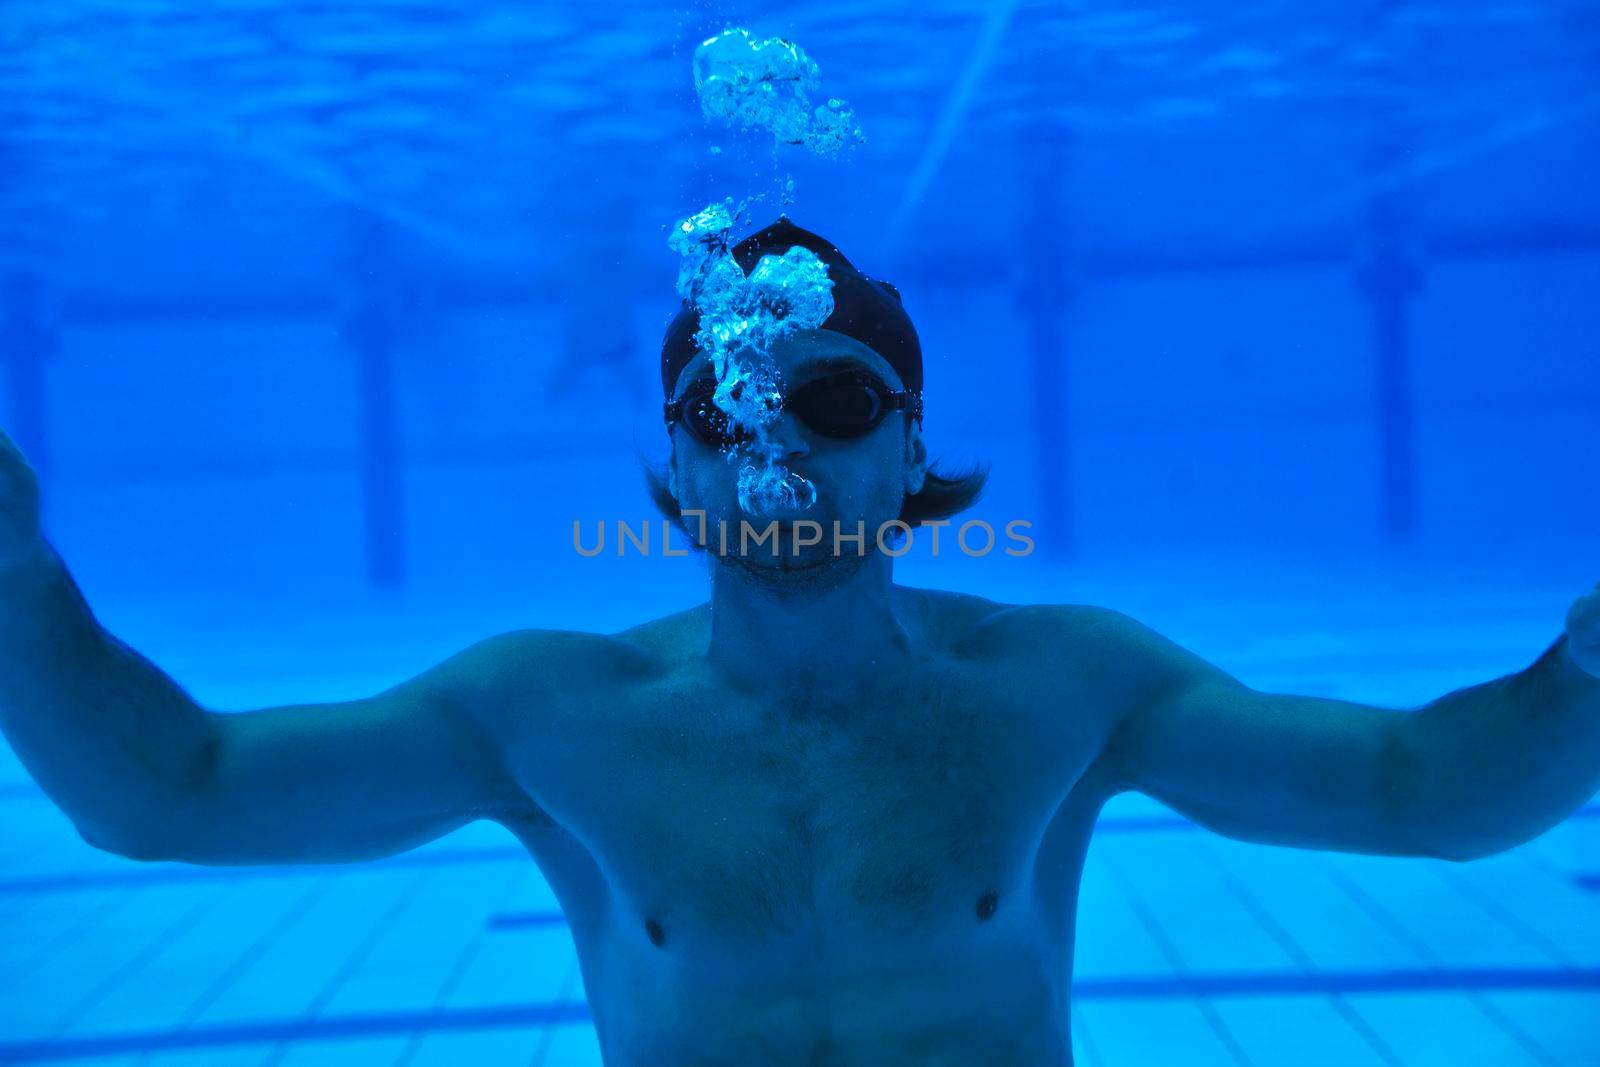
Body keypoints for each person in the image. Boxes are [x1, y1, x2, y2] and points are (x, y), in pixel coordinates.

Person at [1, 219, 1597, 1066]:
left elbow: (1422, 792)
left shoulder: (1062, 692)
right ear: (678, 466)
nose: (780, 453)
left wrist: (1589, 672)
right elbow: (173, 795)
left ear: (910, 448)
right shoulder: (550, 720)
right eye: (731, 412)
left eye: (833, 404)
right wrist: (11, 576)